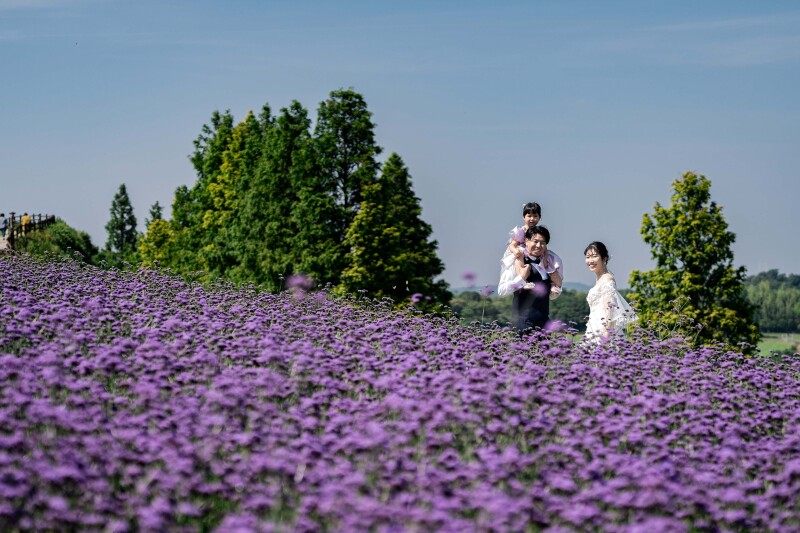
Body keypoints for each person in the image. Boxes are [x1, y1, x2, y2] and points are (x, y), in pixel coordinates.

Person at [497, 202, 563, 297]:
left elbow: (545, 248)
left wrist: (544, 260)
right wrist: (516, 252)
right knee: (520, 255)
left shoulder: (540, 232)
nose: (532, 219)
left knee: (552, 263)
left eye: (535, 216)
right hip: (522, 252)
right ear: (524, 217)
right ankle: (524, 280)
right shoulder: (521, 231)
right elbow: (512, 245)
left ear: (539, 217)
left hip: (535, 255)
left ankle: (552, 284)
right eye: (529, 216)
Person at [583, 241, 638, 343]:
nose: (590, 260)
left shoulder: (607, 279)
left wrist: (607, 334)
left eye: (594, 256)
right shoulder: (599, 279)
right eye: (587, 257)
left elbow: (610, 308)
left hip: (603, 330)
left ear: (604, 258)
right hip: (593, 327)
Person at [511, 225, 557, 335]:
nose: (538, 245)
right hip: (524, 323)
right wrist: (521, 279)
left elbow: (551, 293)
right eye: (535, 241)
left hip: (544, 324)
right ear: (526, 241)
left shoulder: (547, 265)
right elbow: (503, 289)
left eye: (543, 243)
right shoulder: (517, 262)